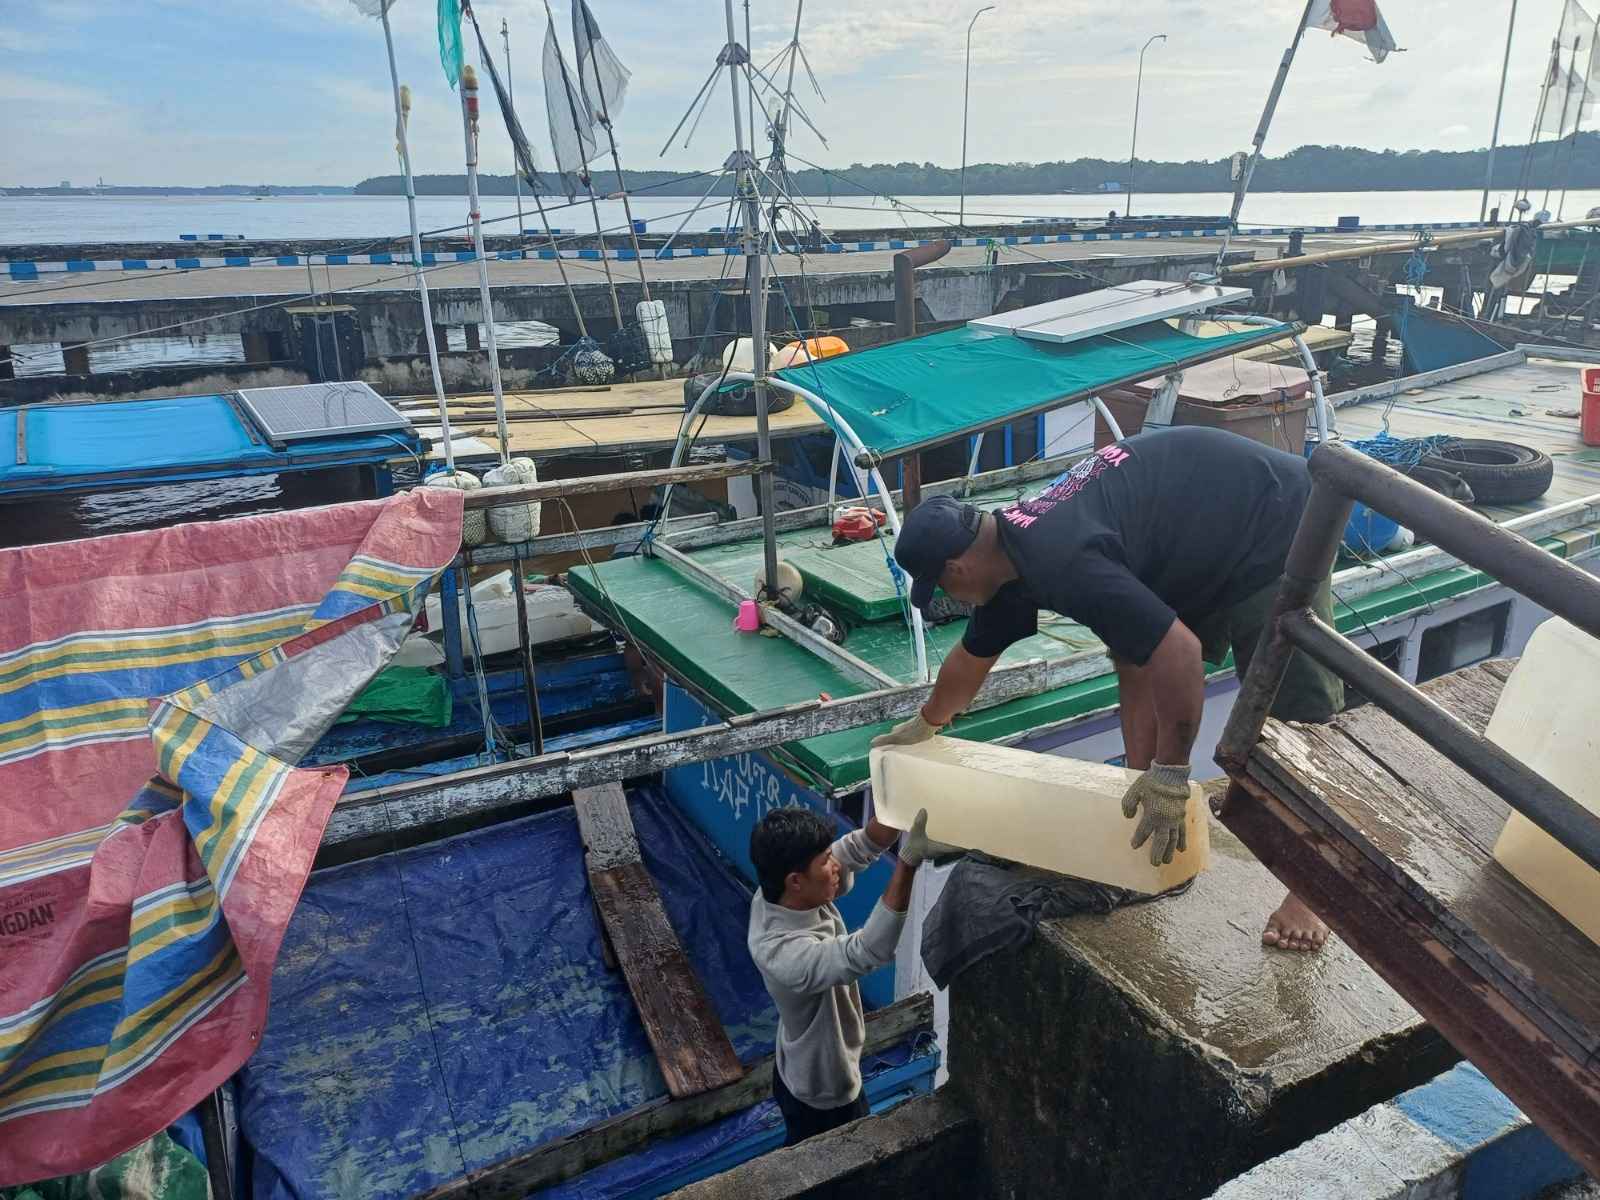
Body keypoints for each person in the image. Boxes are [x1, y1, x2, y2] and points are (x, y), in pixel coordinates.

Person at [874, 425, 1344, 953]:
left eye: (942, 588)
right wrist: (926, 724)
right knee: (1132, 650)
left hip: (1274, 520)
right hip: (1197, 527)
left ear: (958, 568)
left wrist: (1172, 774)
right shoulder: (1006, 556)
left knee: (1291, 717)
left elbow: (1181, 656)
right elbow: (970, 661)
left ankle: (1315, 891)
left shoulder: (1060, 558)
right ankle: (1138, 792)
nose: (952, 599)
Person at [747, 805, 938, 1146]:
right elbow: (868, 951)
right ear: (796, 881)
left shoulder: (778, 893)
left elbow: (860, 844)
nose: (835, 863)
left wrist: (898, 800)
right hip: (822, 1091)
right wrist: (907, 861)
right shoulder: (784, 955)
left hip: (794, 1066)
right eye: (825, 860)